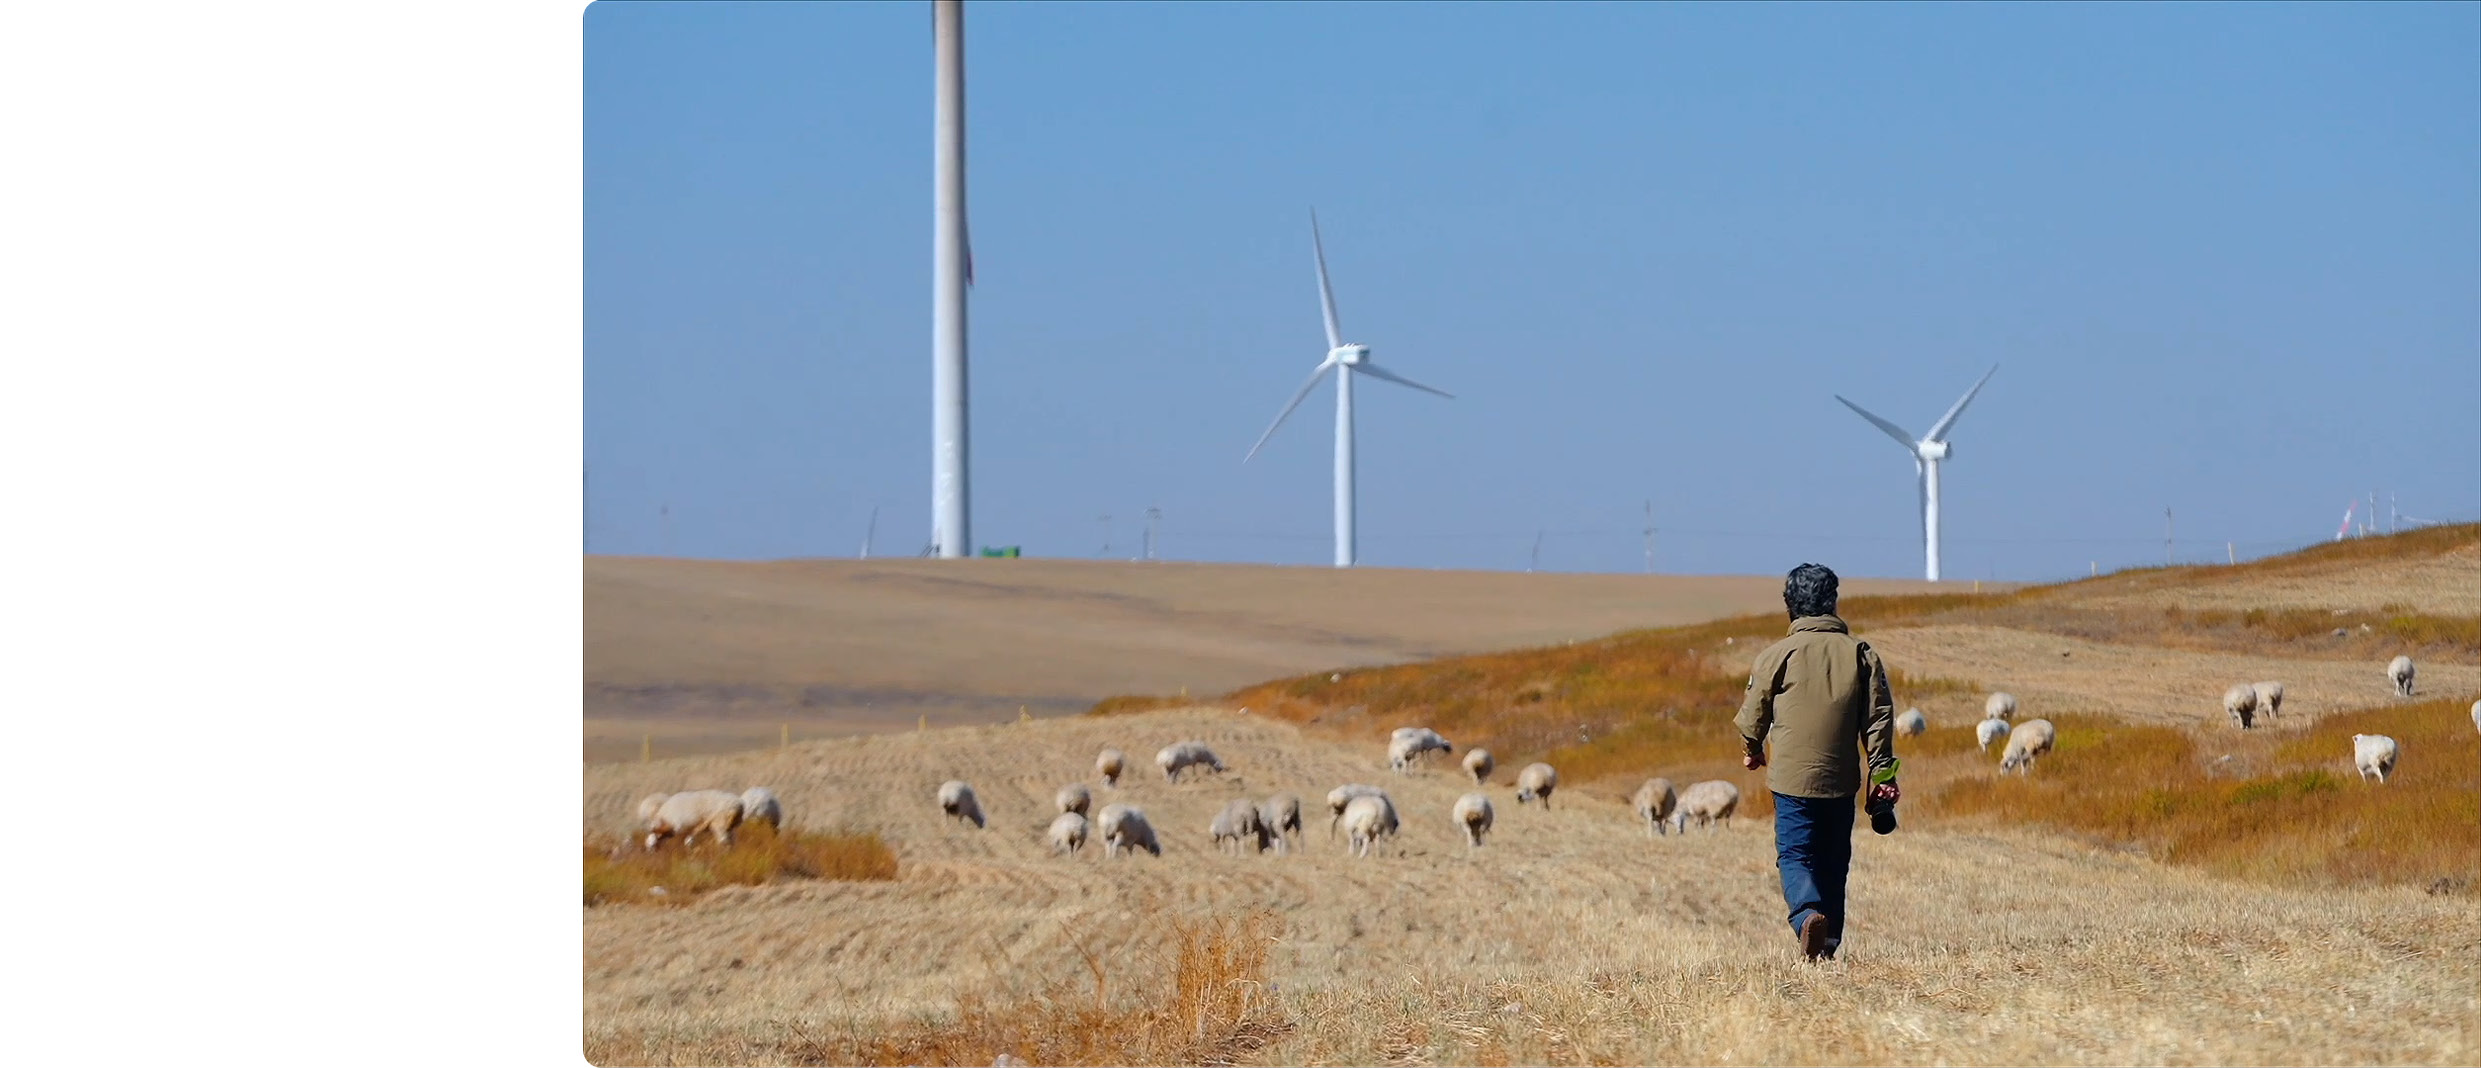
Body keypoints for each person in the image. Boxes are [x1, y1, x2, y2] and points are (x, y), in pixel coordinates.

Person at [1733, 562, 1898, 961]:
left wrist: (1752, 749)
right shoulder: (1862, 654)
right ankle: (1828, 943)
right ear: (1833, 603)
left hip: (1791, 783)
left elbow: (1753, 714)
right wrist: (1883, 776)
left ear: (1790, 606)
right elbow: (1879, 722)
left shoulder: (1777, 655)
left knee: (1794, 855)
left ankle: (1807, 915)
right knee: (1834, 859)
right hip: (1841, 781)